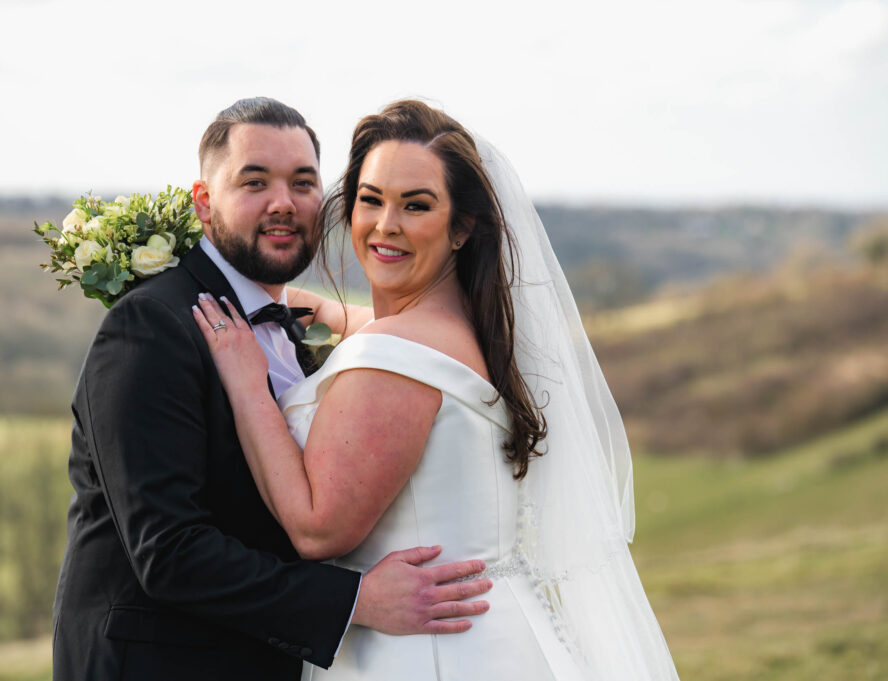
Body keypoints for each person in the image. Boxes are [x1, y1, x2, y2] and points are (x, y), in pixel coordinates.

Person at [194, 100, 681, 680]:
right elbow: (369, 327)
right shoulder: (472, 330)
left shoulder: (392, 359)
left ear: (462, 227)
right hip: (500, 642)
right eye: (371, 199)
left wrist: (249, 387)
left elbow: (317, 527)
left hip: (422, 656)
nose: (385, 224)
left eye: (416, 205)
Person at [51, 98, 494, 681]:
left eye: (303, 182)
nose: (283, 203)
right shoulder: (152, 327)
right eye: (254, 181)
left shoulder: (302, 328)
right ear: (205, 204)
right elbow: (169, 552)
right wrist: (355, 600)